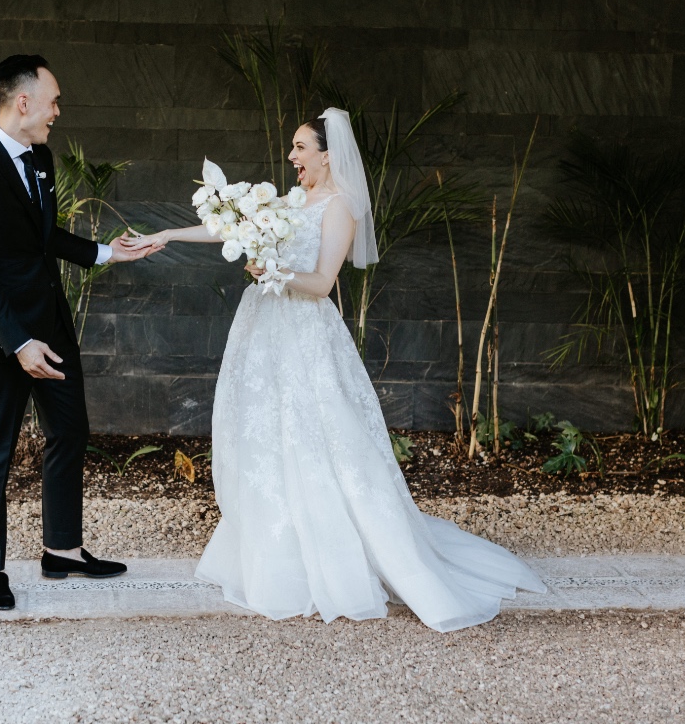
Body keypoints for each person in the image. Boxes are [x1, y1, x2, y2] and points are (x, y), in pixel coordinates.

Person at [123, 108, 546, 631]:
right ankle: (272, 550)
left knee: (316, 438)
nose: (292, 157)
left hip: (305, 333)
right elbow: (227, 228)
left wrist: (272, 268)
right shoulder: (289, 200)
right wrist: (166, 236)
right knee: (265, 438)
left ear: (328, 154)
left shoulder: (341, 207)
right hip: (263, 328)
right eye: (294, 149)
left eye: (301, 148)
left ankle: (335, 556)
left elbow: (322, 282)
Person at [0, 54, 160, 610]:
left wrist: (110, 252)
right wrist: (18, 343)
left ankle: (62, 550)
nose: (57, 112)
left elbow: (45, 239)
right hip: (4, 339)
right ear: (24, 102)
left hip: (53, 327)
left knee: (69, 431)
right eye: (53, 100)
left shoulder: (41, 159)